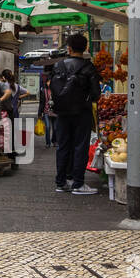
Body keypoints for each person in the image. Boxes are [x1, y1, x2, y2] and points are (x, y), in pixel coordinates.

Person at [51, 34, 103, 195]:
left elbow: (53, 87)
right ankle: (78, 183)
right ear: (86, 48)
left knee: (62, 146)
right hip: (82, 112)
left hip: (62, 112)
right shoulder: (88, 67)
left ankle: (61, 182)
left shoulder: (58, 66)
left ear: (69, 48)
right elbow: (96, 94)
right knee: (80, 146)